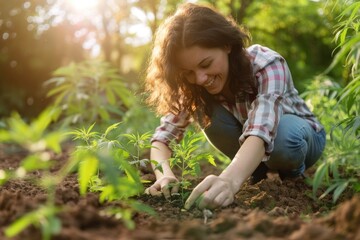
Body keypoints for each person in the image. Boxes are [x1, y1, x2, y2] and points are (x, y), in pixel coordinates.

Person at [143, 3, 326, 210]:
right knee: (202, 106)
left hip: (302, 138)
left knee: (284, 139)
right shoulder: (193, 86)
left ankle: (293, 179)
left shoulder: (267, 64)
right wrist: (164, 175)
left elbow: (261, 130)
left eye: (206, 64)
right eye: (188, 72)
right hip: (253, 146)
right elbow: (162, 138)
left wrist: (228, 181)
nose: (200, 78)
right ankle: (255, 172)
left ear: (226, 45)